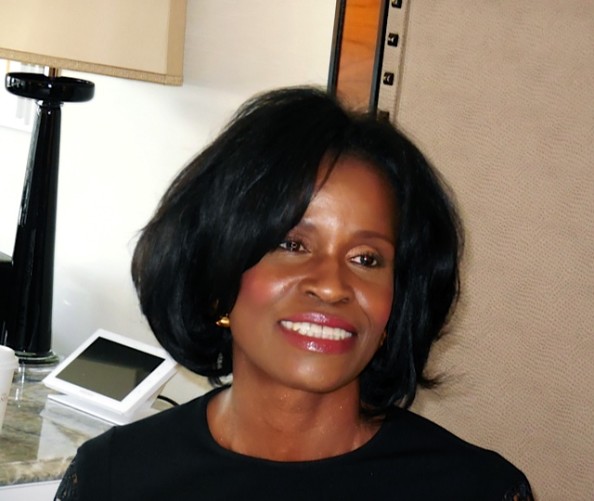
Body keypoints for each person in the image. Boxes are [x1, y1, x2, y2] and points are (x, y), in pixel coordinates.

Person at [55, 87, 532, 500]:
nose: (331, 285)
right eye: (292, 244)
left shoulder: (476, 489)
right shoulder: (113, 478)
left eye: (366, 259)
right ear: (218, 275)